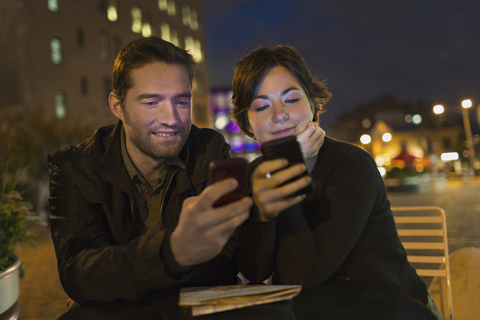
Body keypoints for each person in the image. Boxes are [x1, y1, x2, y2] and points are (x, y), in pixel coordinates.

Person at [231, 45, 443, 319]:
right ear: (247, 123)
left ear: (314, 105)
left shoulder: (352, 164)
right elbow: (253, 270)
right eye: (261, 106)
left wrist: (290, 168)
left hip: (396, 308)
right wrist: (263, 210)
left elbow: (302, 274)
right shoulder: (257, 173)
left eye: (291, 99)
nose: (279, 114)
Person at [48, 36, 252, 304]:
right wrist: (173, 252)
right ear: (117, 106)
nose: (171, 119)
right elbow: (80, 273)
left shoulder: (209, 149)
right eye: (151, 102)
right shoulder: (75, 167)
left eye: (181, 101)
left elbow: (225, 263)